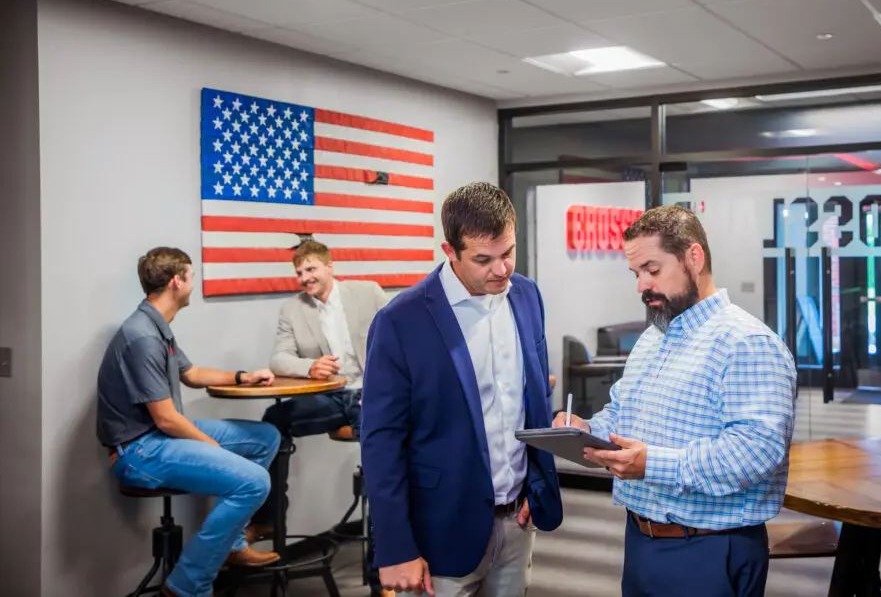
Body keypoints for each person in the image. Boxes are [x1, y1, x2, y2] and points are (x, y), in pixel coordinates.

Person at [555, 205, 797, 597]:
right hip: (642, 539)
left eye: (652, 269)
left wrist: (652, 463)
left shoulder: (746, 342)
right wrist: (586, 429)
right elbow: (623, 412)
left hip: (709, 548)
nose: (641, 285)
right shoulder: (654, 337)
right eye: (636, 274)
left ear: (693, 258)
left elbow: (755, 452)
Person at [361, 182, 563, 597]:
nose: (502, 270)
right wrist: (395, 547)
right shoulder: (400, 321)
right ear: (450, 251)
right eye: (484, 259)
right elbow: (382, 443)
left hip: (517, 520)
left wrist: (538, 486)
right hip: (440, 530)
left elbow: (535, 399)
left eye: (508, 253)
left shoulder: (526, 295)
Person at [96, 247, 282, 597]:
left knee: (265, 437)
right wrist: (212, 448)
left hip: (158, 438)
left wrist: (243, 377)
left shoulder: (156, 325)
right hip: (138, 451)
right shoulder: (143, 336)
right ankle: (188, 585)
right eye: (192, 276)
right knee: (254, 481)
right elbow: (166, 419)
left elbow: (192, 373)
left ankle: (232, 543)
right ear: (176, 281)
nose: (194, 284)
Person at [248, 239, 390, 593]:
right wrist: (309, 366)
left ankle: (381, 578)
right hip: (331, 397)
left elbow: (402, 332)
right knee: (274, 419)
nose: (304, 278)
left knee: (378, 470)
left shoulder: (367, 293)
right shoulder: (292, 309)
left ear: (330, 266)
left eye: (310, 269)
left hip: (371, 396)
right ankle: (268, 518)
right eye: (298, 273)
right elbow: (279, 359)